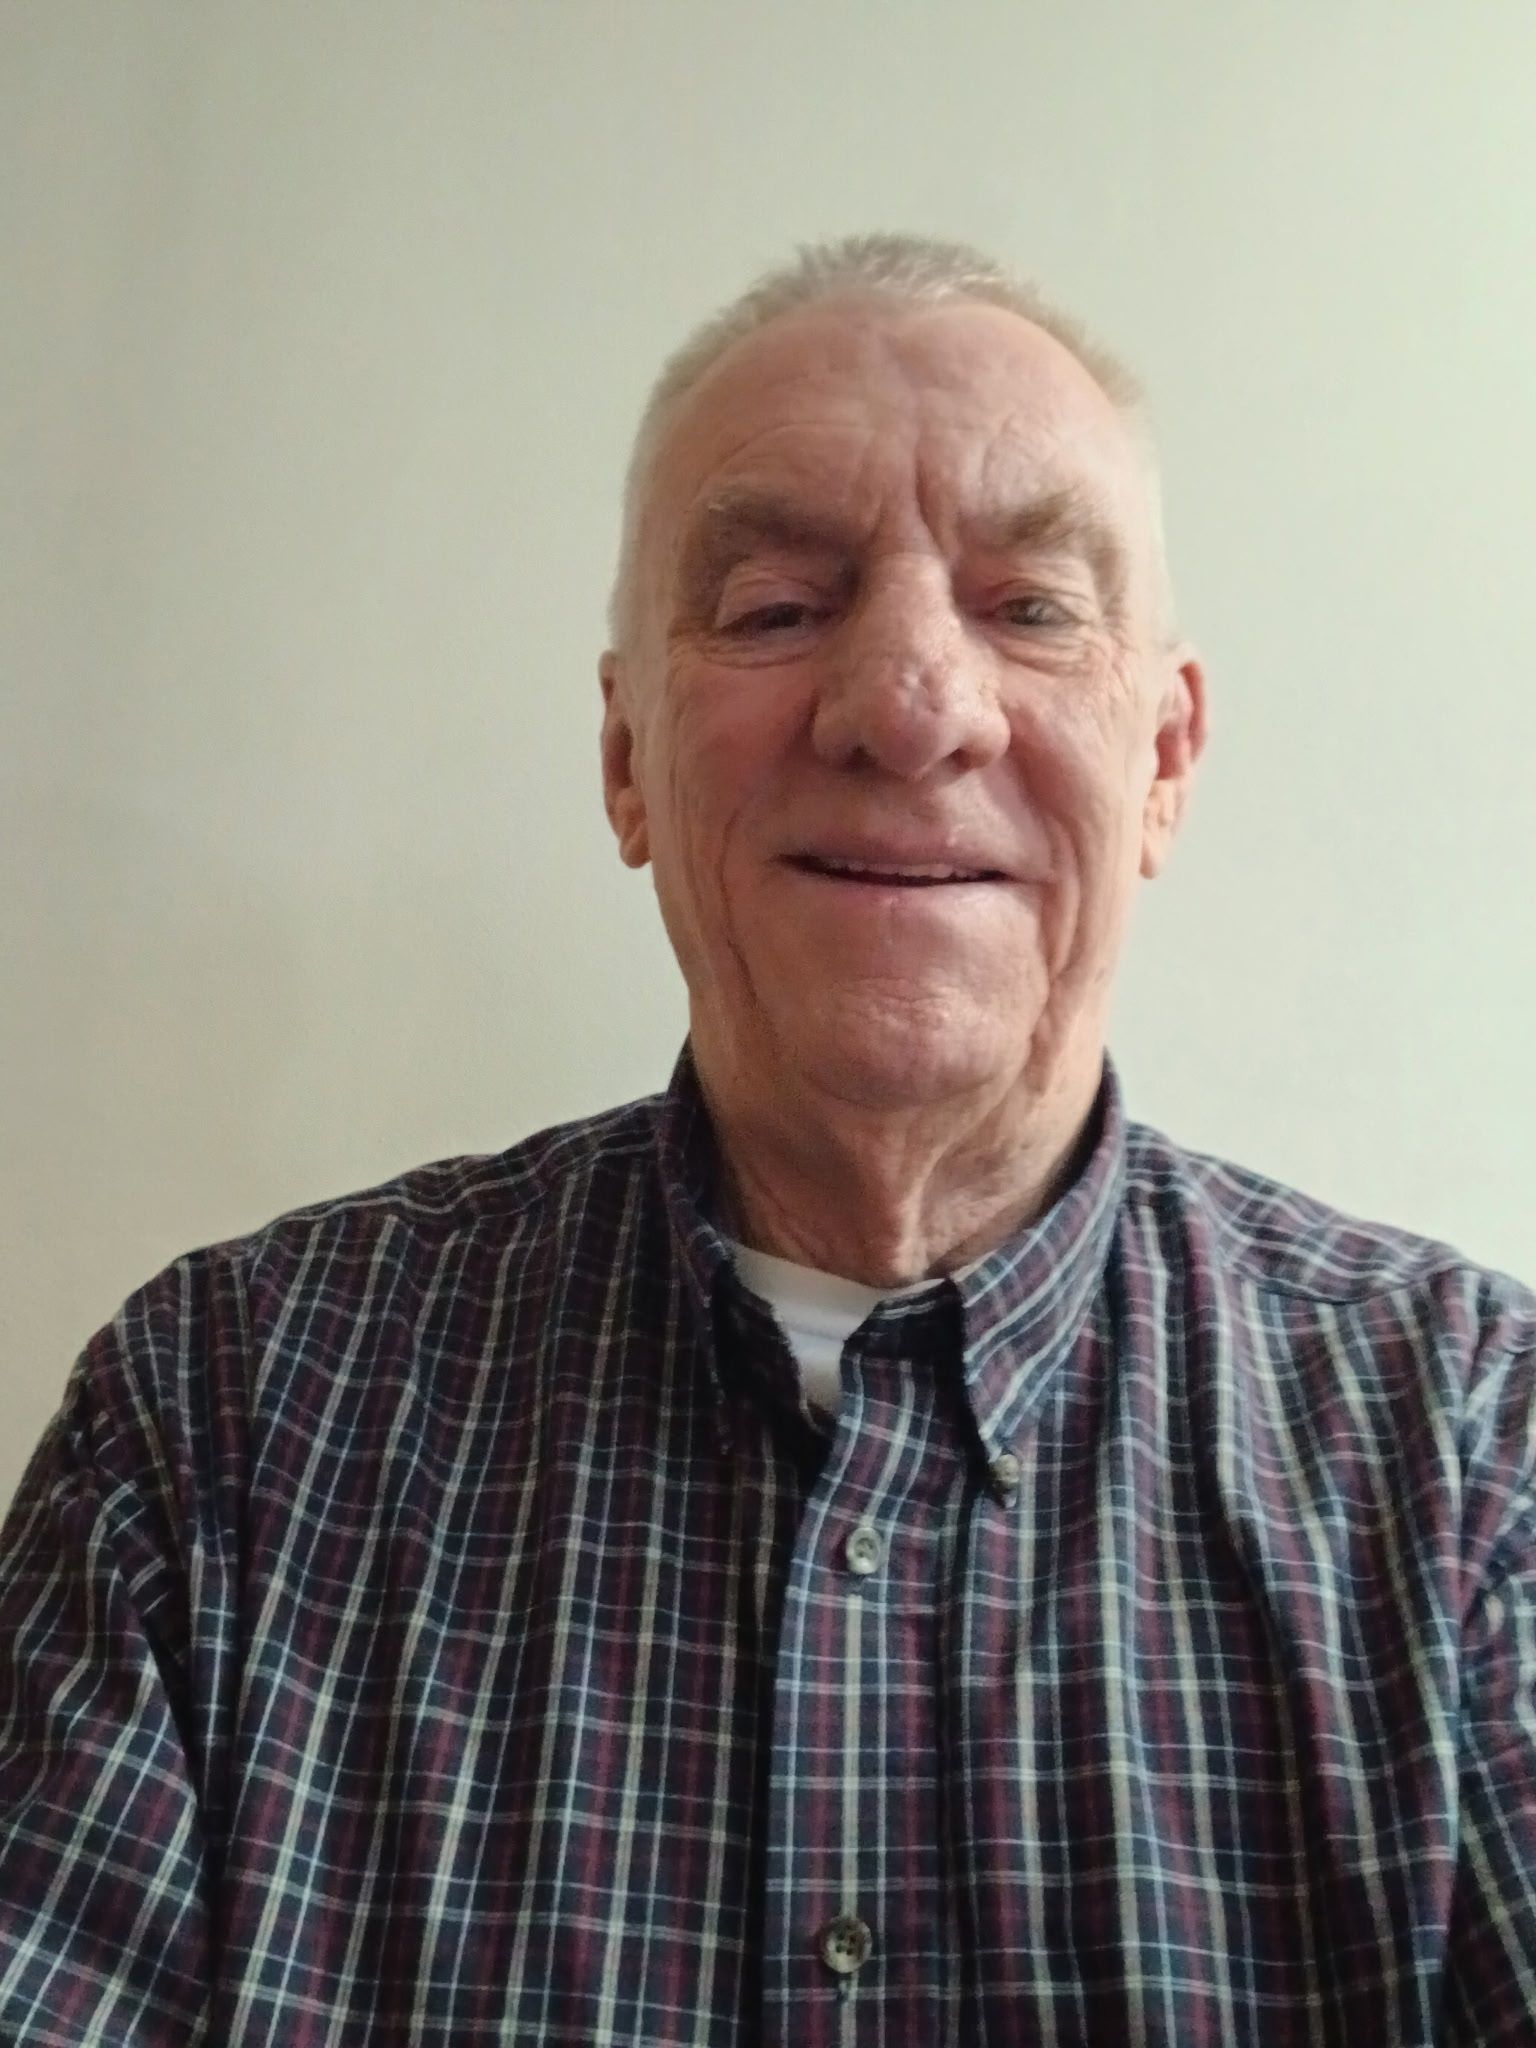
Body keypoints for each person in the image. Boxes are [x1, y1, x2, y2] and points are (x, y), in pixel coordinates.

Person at [1, 232, 1532, 2048]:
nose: (906, 706)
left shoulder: (1477, 1461)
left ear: (1167, 762)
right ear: (628, 758)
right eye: (776, 605)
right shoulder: (223, 1430)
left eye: (1031, 603)